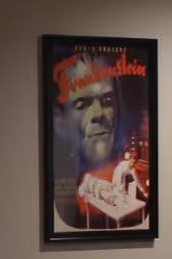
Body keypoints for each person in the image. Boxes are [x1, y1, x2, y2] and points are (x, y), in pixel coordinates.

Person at [51, 50, 149, 231]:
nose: (98, 114)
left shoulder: (130, 177)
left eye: (107, 100)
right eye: (82, 104)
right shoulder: (62, 195)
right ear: (59, 120)